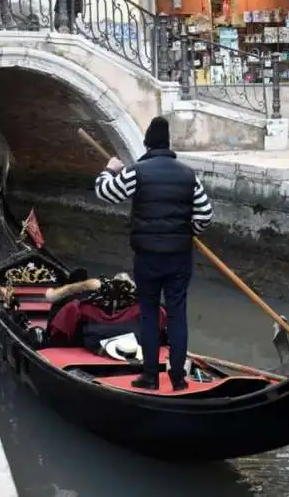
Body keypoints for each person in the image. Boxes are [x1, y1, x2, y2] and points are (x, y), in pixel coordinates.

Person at [94, 116, 214, 391]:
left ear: (147, 143)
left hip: (147, 258)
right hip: (179, 258)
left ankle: (150, 377)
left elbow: (105, 192)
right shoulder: (187, 174)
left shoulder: (137, 171)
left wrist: (109, 170)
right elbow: (205, 215)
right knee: (177, 315)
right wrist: (188, 232)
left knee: (148, 313)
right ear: (168, 143)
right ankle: (178, 379)